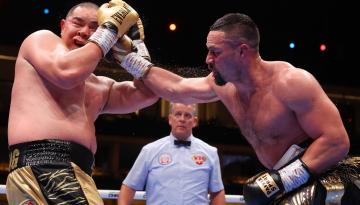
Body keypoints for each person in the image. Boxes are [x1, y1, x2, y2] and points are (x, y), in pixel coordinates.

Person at [114, 12, 360, 204]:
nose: (208, 60)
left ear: (242, 51)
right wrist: (128, 58)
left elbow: (337, 141)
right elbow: (176, 87)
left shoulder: (291, 82)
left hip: (326, 176)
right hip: (286, 180)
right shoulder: (224, 86)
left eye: (215, 52)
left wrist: (282, 179)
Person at [6, 1, 158, 205]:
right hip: (48, 168)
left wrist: (137, 48)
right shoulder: (40, 40)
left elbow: (148, 93)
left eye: (96, 27)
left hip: (71, 173)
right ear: (63, 26)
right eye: (78, 23)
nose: (86, 32)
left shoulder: (101, 87)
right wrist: (108, 30)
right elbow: (65, 73)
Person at [118, 102, 225, 205]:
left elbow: (217, 192)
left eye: (187, 115)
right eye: (178, 114)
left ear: (195, 121)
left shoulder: (210, 152)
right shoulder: (150, 150)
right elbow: (129, 187)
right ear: (170, 119)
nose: (182, 119)